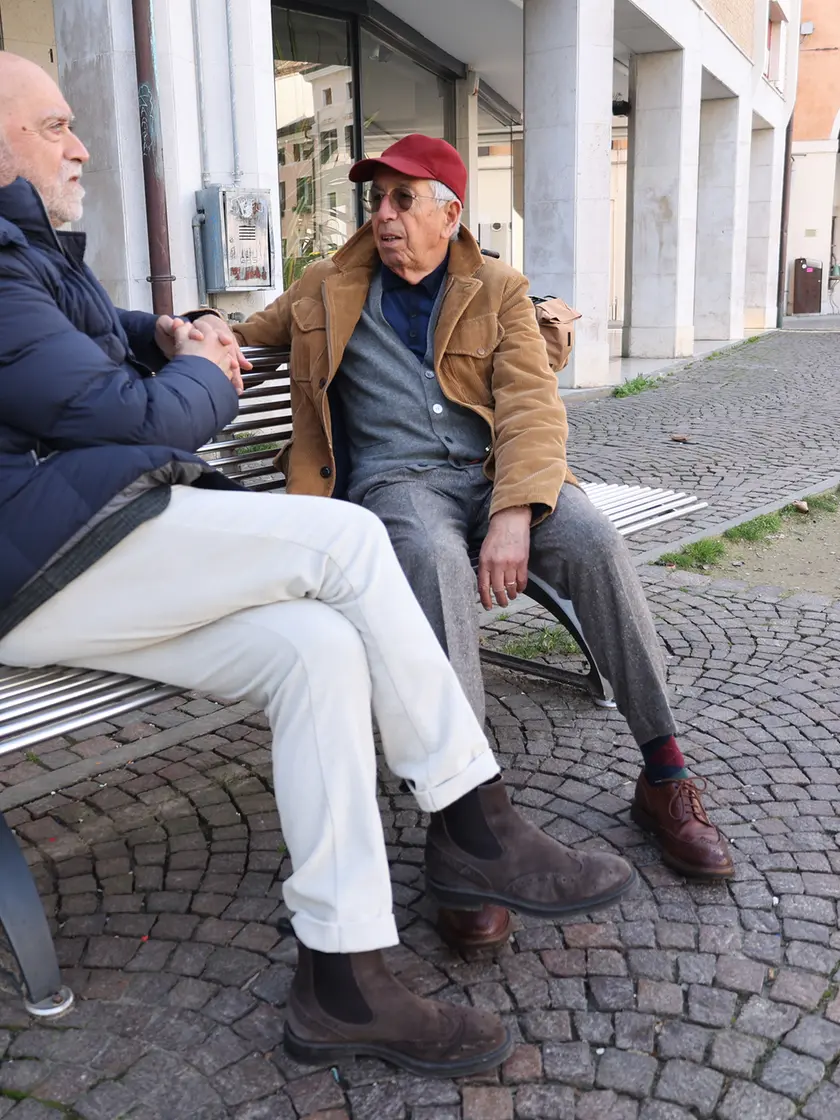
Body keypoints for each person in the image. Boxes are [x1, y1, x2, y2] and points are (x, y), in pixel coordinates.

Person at [0, 54, 637, 1076]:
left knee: (316, 651)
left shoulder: (29, 253)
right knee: (346, 537)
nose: (80, 144)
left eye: (75, 124)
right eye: (54, 125)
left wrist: (163, 327)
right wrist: (203, 367)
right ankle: (475, 815)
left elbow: (85, 332)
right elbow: (120, 410)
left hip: (76, 544)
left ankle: (343, 976)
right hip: (37, 561)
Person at [233, 133, 735, 949]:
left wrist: (513, 512)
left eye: (404, 199)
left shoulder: (497, 287)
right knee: (429, 562)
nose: (385, 216)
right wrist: (176, 337)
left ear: (449, 212)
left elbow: (533, 408)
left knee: (596, 538)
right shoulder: (324, 287)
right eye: (378, 199)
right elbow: (247, 336)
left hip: (497, 478)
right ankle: (470, 825)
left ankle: (666, 771)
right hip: (398, 488)